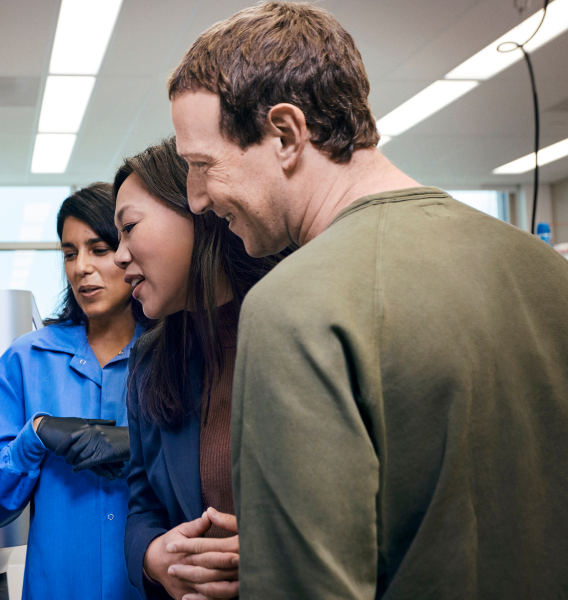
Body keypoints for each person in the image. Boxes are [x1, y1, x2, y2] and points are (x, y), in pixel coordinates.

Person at [169, 3, 568, 599]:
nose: (197, 200)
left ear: (285, 133)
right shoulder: (547, 273)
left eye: (202, 165)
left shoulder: (294, 306)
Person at [113, 138, 281, 600]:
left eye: (129, 228)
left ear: (196, 209)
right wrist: (152, 554)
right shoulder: (151, 359)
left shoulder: (294, 326)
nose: (118, 256)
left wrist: (281, 557)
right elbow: (142, 498)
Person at [0, 183, 147, 600]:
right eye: (70, 254)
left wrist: (139, 443)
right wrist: (34, 435)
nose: (80, 268)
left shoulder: (172, 355)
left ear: (129, 250)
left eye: (98, 249)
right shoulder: (25, 360)